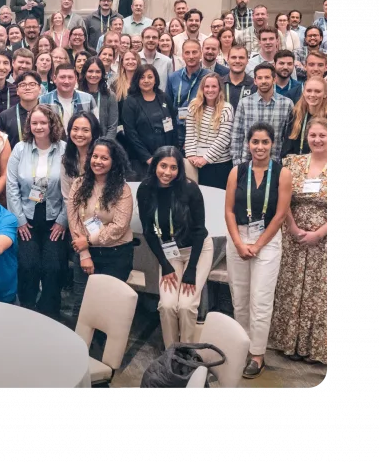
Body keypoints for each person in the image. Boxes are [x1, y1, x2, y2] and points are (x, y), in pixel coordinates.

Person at [224, 122, 293, 378]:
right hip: (239, 238)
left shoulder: (282, 173)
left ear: (272, 144)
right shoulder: (237, 172)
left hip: (267, 239)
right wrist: (240, 243)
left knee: (261, 301)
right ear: (248, 144)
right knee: (239, 299)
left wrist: (258, 244)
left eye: (265, 142)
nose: (260, 147)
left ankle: (257, 354)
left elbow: (280, 214)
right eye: (255, 142)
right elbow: (229, 210)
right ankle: (242, 345)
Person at [269, 117, 330, 365]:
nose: (317, 140)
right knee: (290, 287)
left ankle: (314, 349)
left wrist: (320, 232)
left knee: (318, 294)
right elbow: (282, 198)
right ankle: (286, 343)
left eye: (323, 136)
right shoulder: (292, 164)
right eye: (313, 135)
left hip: (324, 242)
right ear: (307, 136)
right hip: (292, 237)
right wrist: (292, 227)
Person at [139, 145, 212, 348]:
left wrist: (191, 270)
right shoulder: (145, 189)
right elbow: (149, 232)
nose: (167, 172)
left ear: (180, 170)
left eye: (173, 168)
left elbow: (199, 231)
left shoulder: (190, 189)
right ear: (155, 166)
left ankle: (186, 351)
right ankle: (172, 353)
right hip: (169, 252)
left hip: (197, 250)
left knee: (187, 306)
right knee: (168, 305)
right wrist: (165, 264)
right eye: (163, 166)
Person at [6, 105, 69, 320]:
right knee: (27, 264)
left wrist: (63, 220)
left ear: (52, 124)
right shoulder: (20, 149)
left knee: (53, 266)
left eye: (43, 122)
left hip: (55, 216)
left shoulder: (64, 149)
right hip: (27, 216)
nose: (39, 127)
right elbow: (12, 185)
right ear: (29, 125)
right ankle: (27, 309)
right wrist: (20, 220)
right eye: (34, 123)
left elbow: (73, 188)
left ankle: (49, 312)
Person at [67, 139, 135, 321]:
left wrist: (89, 241)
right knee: (82, 306)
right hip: (85, 252)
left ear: (114, 161)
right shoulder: (79, 184)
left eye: (104, 158)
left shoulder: (122, 189)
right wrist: (84, 252)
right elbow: (73, 219)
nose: (98, 161)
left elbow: (119, 226)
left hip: (116, 254)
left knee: (108, 307)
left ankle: (105, 347)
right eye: (95, 156)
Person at [120, 65, 178, 180]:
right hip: (141, 162)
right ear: (137, 80)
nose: (146, 80)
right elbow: (131, 134)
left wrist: (174, 153)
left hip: (167, 158)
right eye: (142, 77)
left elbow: (173, 126)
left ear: (155, 79)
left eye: (150, 77)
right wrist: (148, 158)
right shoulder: (130, 102)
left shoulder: (164, 97)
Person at [231, 63, 295, 166]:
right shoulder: (244, 103)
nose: (263, 81)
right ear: (255, 81)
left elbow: (289, 138)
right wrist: (237, 163)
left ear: (274, 80)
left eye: (267, 77)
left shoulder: (287, 104)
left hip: (276, 162)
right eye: (260, 78)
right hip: (248, 162)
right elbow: (237, 135)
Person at [183, 72, 235, 188]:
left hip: (218, 165)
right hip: (195, 163)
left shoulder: (226, 109)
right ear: (202, 88)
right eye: (207, 86)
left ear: (219, 89)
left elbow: (223, 138)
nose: (210, 90)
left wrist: (206, 158)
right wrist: (191, 155)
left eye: (214, 86)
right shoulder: (194, 105)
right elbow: (190, 131)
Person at [168, 39, 210, 145]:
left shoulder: (210, 77)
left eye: (194, 52)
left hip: (202, 133)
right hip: (178, 133)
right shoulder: (173, 77)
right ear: (182, 55)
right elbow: (168, 106)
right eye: (187, 53)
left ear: (200, 53)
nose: (191, 56)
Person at [281, 76, 327, 159]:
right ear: (304, 92)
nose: (312, 95)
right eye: (309, 91)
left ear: (325, 94)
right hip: (299, 167)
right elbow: (286, 149)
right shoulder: (296, 114)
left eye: (317, 91)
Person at [38, 62, 93, 130]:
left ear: (76, 79)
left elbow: (94, 126)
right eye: (62, 77)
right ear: (54, 79)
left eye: (70, 77)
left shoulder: (88, 99)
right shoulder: (43, 100)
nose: (66, 81)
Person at [0, 70, 42, 148]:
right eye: (23, 85)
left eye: (32, 84)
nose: (27, 88)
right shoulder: (5, 116)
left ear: (40, 89)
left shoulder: (50, 114)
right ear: (17, 90)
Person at [79, 58, 118, 141]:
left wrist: (105, 145)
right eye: (90, 71)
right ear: (85, 73)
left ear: (102, 74)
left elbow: (112, 127)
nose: (94, 75)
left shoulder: (110, 96)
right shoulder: (77, 95)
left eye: (98, 72)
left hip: (102, 145)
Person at [218, 44, 254, 112]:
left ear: (247, 60)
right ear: (228, 60)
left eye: (241, 58)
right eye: (233, 57)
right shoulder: (219, 84)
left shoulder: (254, 85)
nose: (237, 61)